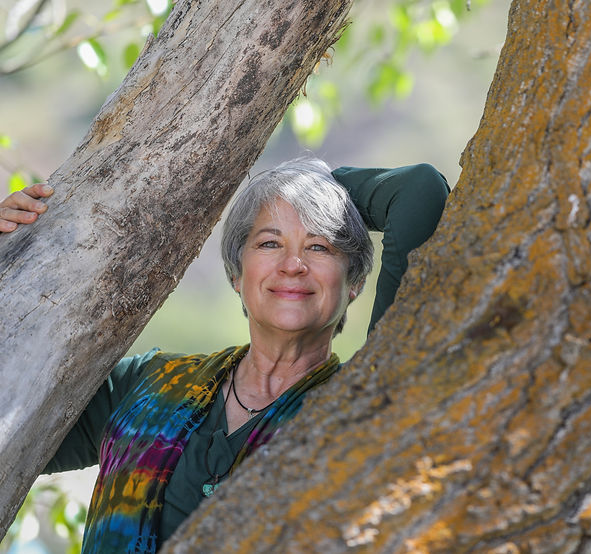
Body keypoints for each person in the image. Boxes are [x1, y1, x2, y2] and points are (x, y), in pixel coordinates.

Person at [0, 158, 448, 552]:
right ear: (237, 275)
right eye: (270, 243)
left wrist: (311, 181)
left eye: (320, 246)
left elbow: (420, 190)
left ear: (353, 283)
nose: (293, 264)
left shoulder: (371, 400)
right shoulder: (147, 385)